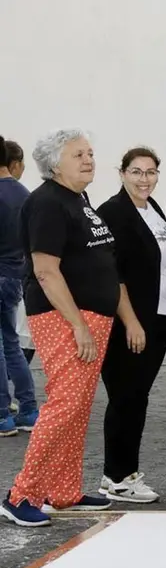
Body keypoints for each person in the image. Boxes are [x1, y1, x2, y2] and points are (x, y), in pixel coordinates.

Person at [2, 129, 117, 526]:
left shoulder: (77, 199)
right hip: (65, 318)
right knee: (63, 405)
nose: (88, 159)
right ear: (54, 163)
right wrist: (78, 326)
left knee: (77, 407)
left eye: (90, 152)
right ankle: (21, 495)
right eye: (77, 154)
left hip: (90, 317)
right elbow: (46, 272)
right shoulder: (48, 203)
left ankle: (64, 491)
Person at [95, 147, 166, 503]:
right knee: (125, 397)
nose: (144, 178)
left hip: (156, 317)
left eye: (150, 172)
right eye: (136, 171)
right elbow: (113, 274)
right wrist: (130, 322)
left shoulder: (152, 209)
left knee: (137, 398)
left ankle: (125, 472)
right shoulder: (113, 212)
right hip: (129, 323)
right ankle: (116, 476)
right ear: (122, 173)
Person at [0, 138, 38, 435]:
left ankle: (2, 414)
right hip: (15, 276)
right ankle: (28, 409)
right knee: (11, 344)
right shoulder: (24, 193)